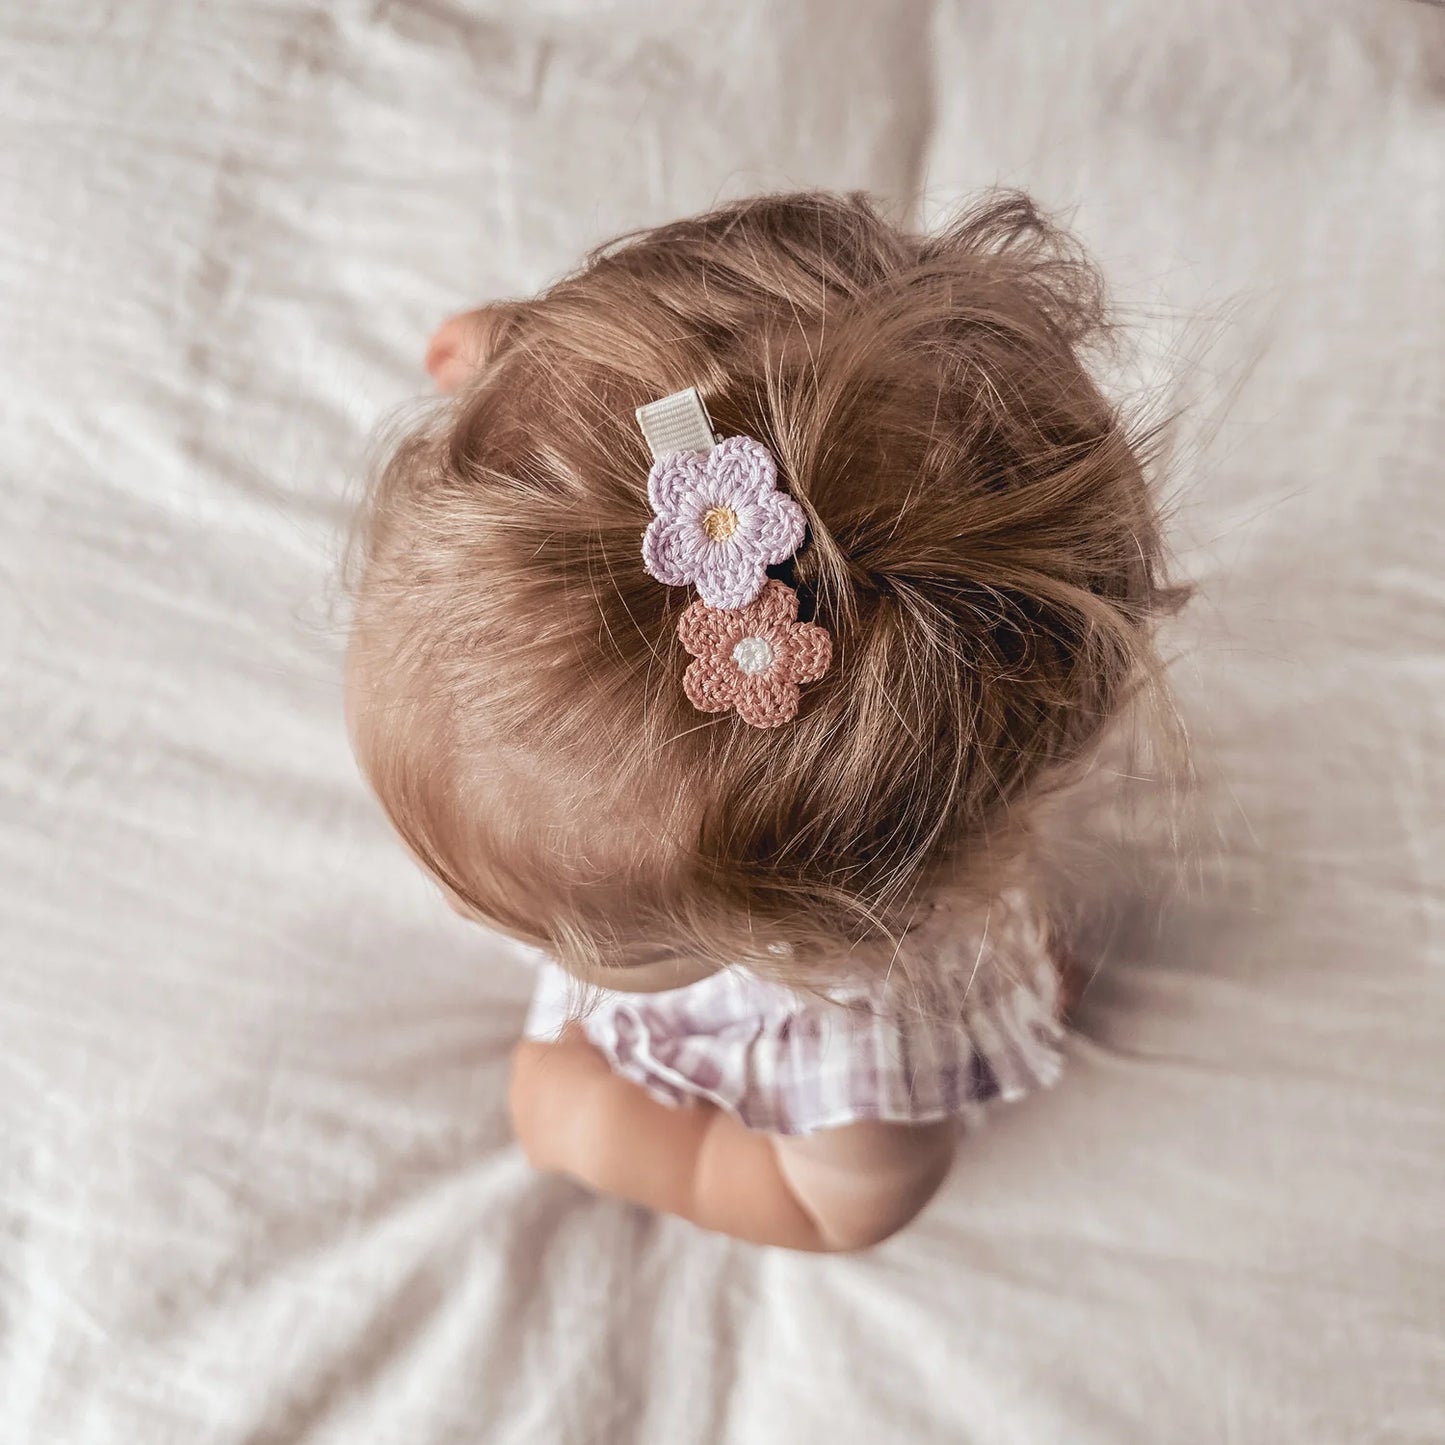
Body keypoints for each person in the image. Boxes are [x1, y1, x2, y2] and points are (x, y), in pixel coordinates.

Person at [347, 191, 1181, 1252]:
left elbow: (837, 1204)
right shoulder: (675, 429)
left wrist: (603, 1127)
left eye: (562, 930)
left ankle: (1028, 975)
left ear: (810, 929)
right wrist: (521, 365)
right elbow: (660, 386)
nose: (462, 909)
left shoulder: (856, 1030)